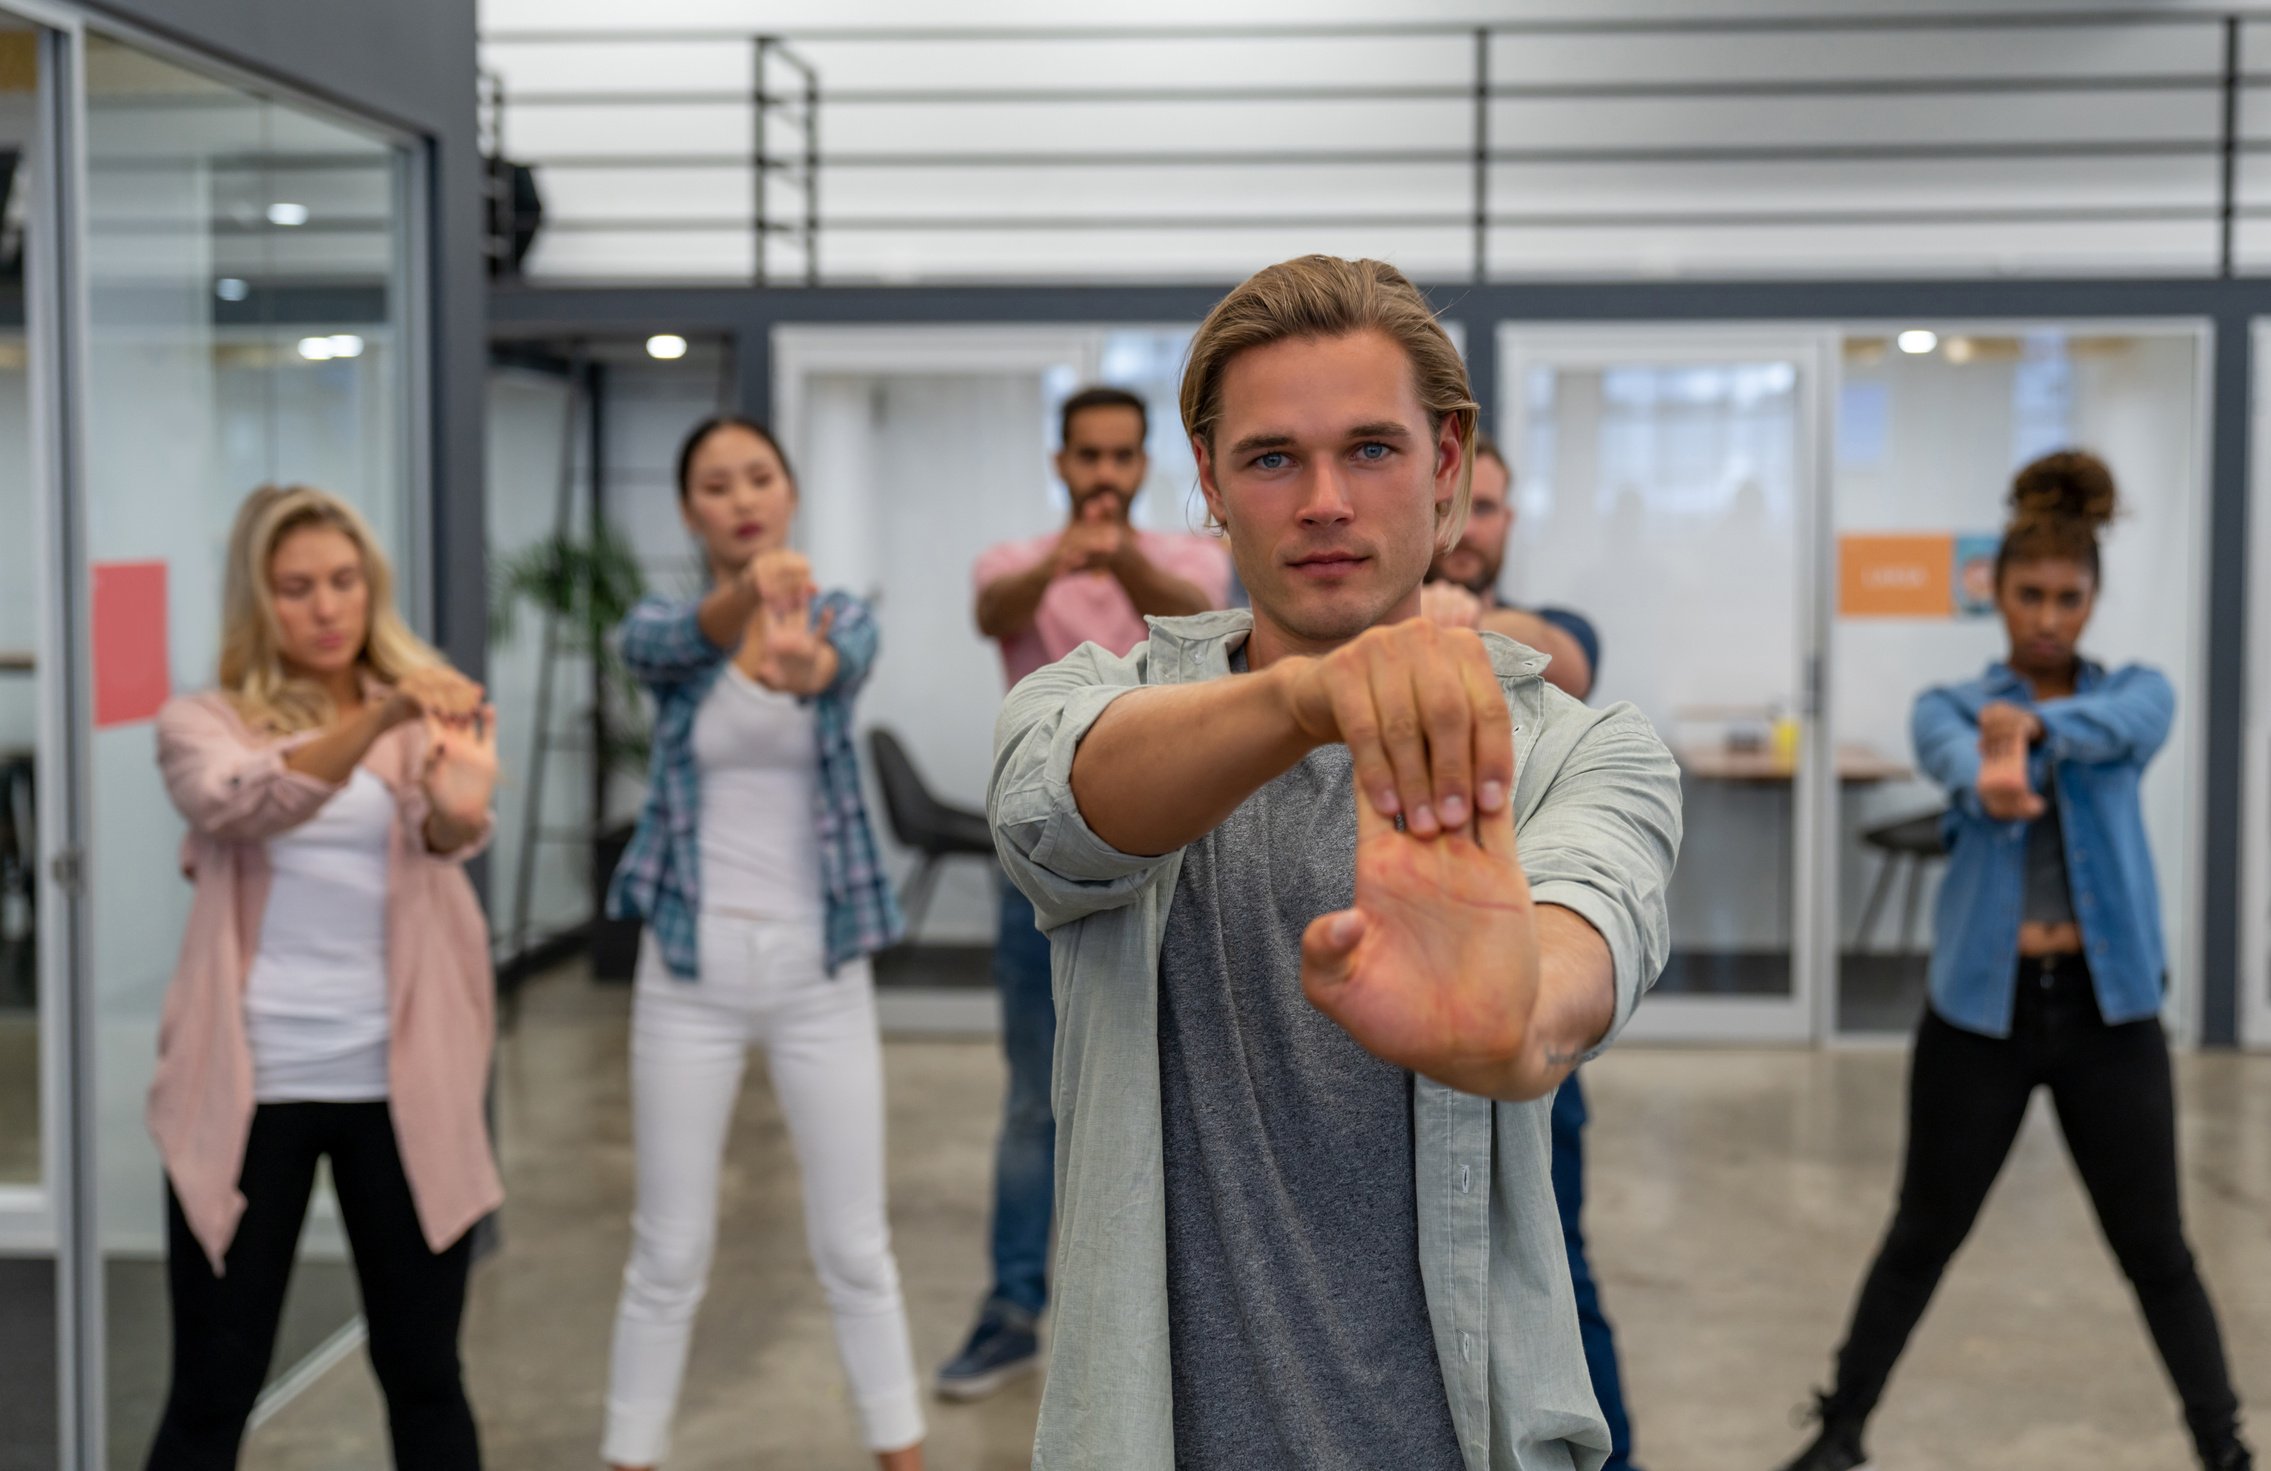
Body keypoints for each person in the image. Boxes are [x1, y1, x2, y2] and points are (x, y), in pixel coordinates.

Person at [991, 255, 1683, 1468]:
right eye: (1271, 458)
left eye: (1372, 448)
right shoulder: (1096, 706)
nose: (1323, 499)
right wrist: (1314, 700)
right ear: (1208, 479)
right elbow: (1060, 813)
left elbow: (1587, 946)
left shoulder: (1587, 752)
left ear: (1449, 461)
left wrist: (1510, 1017)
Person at [1775, 451, 2251, 1471]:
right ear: (1994, 593)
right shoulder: (1949, 708)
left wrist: (2035, 725)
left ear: (2093, 599)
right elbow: (1956, 757)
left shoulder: (2136, 696)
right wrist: (1994, 767)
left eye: (2068, 598)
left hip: (2107, 1011)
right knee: (1922, 1231)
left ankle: (2224, 1447)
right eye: (2029, 594)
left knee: (2155, 1248)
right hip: (1979, 1013)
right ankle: (1840, 1428)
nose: (2047, 617)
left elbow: (2133, 723)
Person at [146, 484, 501, 1470]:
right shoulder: (204, 722)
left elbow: (450, 833)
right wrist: (384, 707)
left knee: (426, 1372)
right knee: (214, 1388)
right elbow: (242, 804)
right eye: (297, 586)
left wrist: (460, 810)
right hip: (252, 1086)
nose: (327, 606)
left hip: (402, 1084)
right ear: (260, 600)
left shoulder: (426, 703)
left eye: (344, 581)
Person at [600, 417, 922, 1471]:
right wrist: (745, 605)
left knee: (854, 1243)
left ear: (786, 493)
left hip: (819, 969)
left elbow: (840, 663)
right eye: (715, 484)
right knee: (669, 1247)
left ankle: (901, 1453)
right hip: (688, 969)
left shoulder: (835, 616)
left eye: (758, 478)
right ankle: (629, 1455)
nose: (740, 498)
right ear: (691, 508)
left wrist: (802, 659)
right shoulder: (676, 629)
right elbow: (654, 645)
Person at [941, 385, 1231, 1399]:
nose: (1105, 475)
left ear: (1143, 463)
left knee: (1186, 1100)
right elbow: (993, 613)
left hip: (1174, 869)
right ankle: (1014, 1309)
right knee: (1034, 1103)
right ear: (1062, 463)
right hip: (1040, 862)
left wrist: (1123, 558)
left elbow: (1203, 619)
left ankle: (1168, 1324)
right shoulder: (1014, 565)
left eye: (1121, 457)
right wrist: (1065, 557)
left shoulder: (1189, 562)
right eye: (1088, 458)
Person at [1422, 433, 1639, 1471]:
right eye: (1453, 500)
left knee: (1554, 1264)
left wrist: (1466, 623)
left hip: (1519, 1006)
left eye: (1491, 506)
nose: (1468, 525)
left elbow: (1571, 652)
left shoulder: (1547, 634)